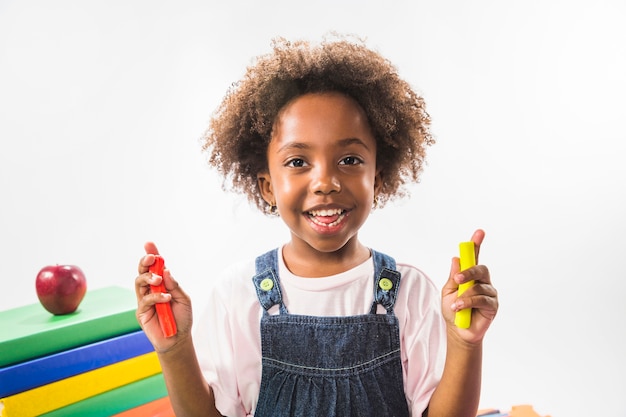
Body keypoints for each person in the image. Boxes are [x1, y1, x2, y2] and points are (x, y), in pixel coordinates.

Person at [135, 35, 498, 417]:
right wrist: (174, 350)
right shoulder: (237, 295)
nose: (326, 182)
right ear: (267, 186)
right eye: (297, 162)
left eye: (350, 159)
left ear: (377, 178)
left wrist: (465, 344)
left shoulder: (411, 294)